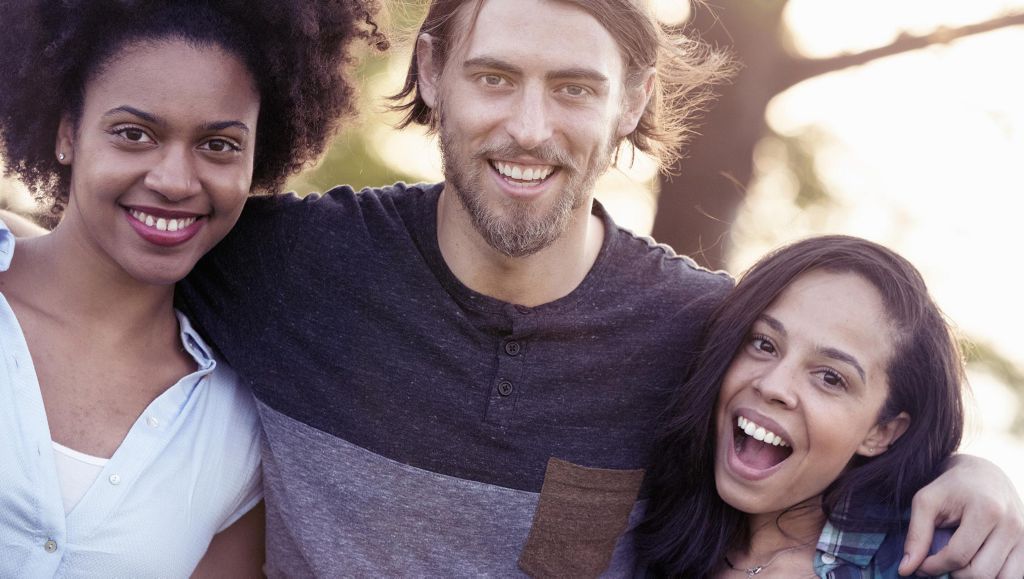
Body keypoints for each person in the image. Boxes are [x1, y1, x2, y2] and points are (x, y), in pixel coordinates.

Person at [7, 0, 1024, 576]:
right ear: (437, 73)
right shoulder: (284, 265)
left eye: (574, 88)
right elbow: (100, 244)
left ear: (633, 102)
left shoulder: (703, 340)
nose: (530, 128)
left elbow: (829, 425)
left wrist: (980, 474)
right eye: (496, 77)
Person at [0, 0, 381, 575]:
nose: (175, 180)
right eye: (133, 133)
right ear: (66, 133)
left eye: (219, 145)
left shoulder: (237, 424)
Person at [637, 236, 969, 577]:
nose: (772, 386)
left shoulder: (932, 564)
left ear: (881, 432)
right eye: (764, 343)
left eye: (830, 378)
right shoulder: (647, 519)